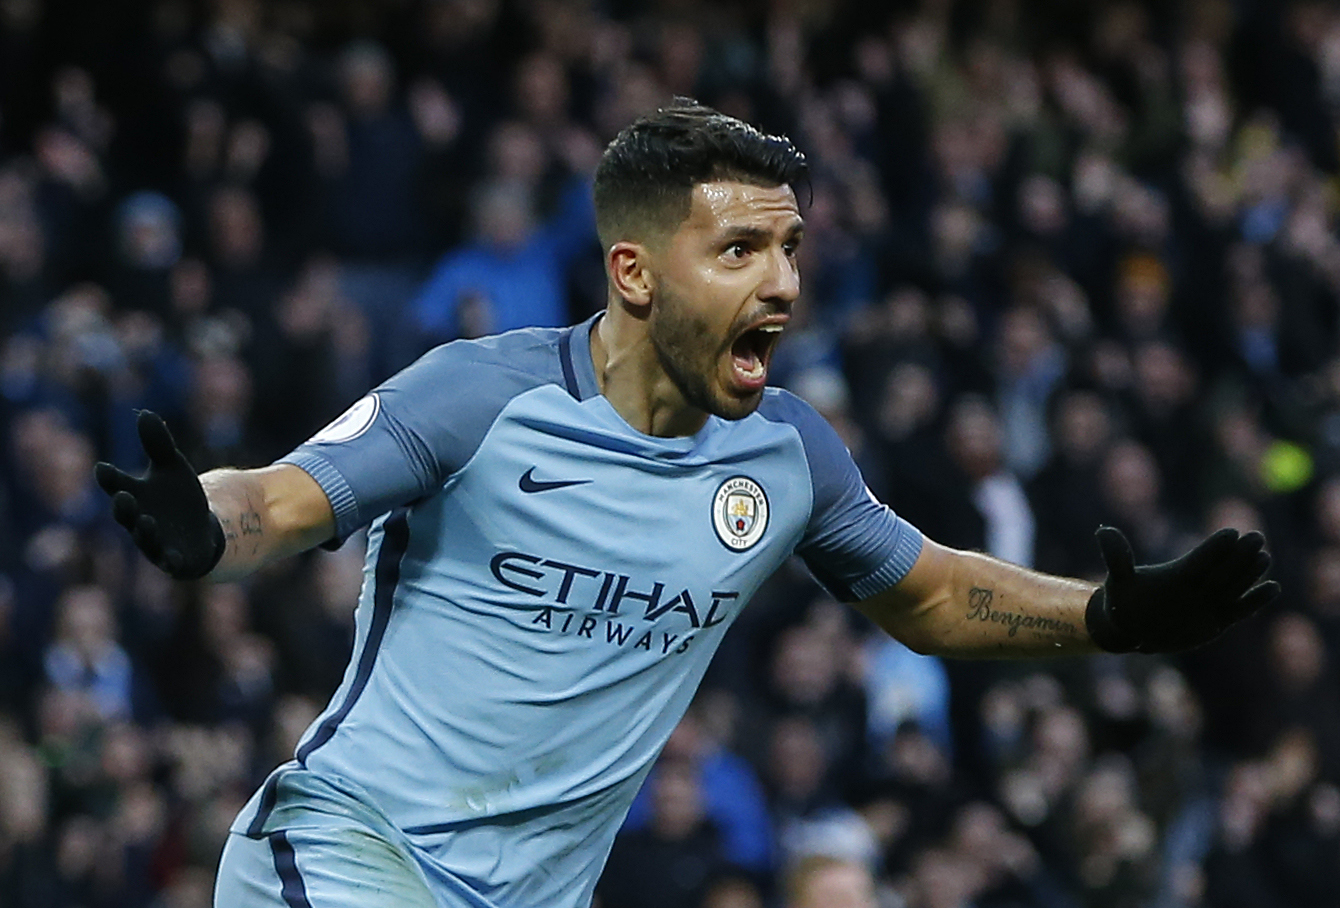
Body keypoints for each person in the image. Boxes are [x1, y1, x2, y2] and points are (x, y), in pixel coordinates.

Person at [93, 100, 1278, 908]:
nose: (783, 284)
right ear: (635, 273)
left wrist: (1104, 619)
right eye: (741, 252)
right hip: (347, 852)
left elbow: (927, 591)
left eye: (792, 249)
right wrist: (207, 527)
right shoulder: (479, 397)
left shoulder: (784, 459)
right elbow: (283, 498)